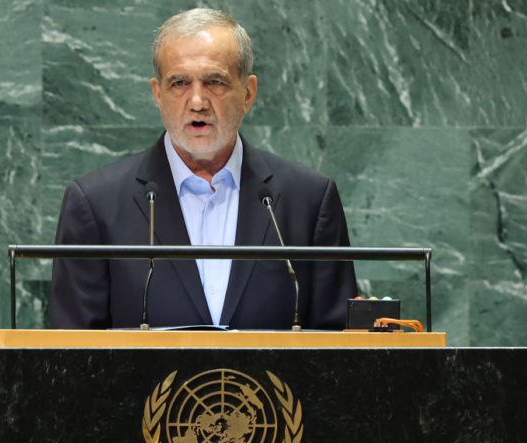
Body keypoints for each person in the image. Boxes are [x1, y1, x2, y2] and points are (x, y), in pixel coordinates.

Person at [50, 8, 357, 330]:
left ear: (248, 93)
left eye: (215, 82)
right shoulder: (95, 204)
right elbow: (70, 356)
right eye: (180, 83)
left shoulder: (308, 200)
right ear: (158, 94)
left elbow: (340, 347)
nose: (197, 101)